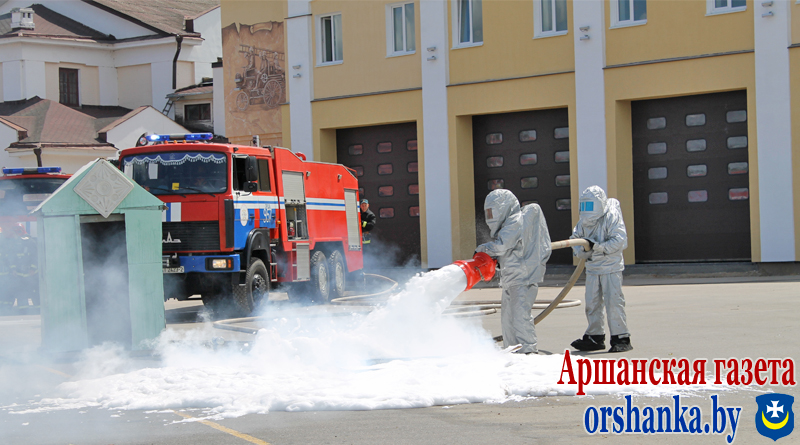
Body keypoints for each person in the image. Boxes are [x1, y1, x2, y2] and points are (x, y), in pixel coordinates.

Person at [475, 189, 551, 355]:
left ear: (503, 208)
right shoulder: (507, 226)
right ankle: (513, 352)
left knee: (520, 317)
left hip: (522, 280)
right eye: (488, 213)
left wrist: (482, 250)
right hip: (511, 279)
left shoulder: (515, 221)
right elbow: (509, 253)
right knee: (508, 320)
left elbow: (503, 245)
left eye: (492, 212)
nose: (490, 217)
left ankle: (528, 351)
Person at [569, 185, 632, 353]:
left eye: (590, 205)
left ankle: (621, 337)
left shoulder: (611, 216)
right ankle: (594, 337)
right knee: (592, 303)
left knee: (614, 302)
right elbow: (575, 238)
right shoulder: (584, 221)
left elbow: (620, 241)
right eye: (584, 205)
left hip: (610, 267)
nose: (586, 209)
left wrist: (596, 247)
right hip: (592, 268)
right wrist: (580, 251)